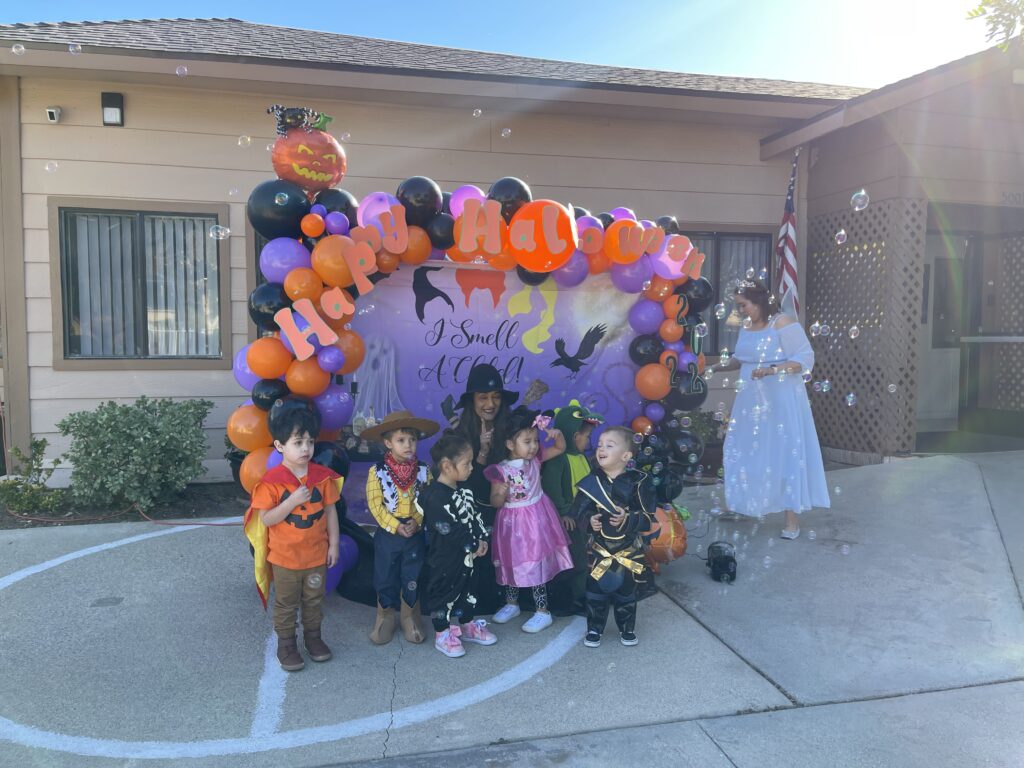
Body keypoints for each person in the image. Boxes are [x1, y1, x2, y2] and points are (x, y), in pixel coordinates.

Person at [709, 279, 830, 538]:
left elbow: (804, 358)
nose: (740, 310)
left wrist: (773, 370)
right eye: (738, 306)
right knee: (744, 449)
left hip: (780, 398)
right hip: (750, 400)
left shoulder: (782, 323)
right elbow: (741, 359)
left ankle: (791, 520)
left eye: (743, 305)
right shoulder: (746, 326)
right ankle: (744, 504)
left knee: (784, 452)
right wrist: (714, 367)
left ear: (758, 302)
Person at [244, 403, 341, 672]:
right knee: (286, 604)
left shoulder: (322, 479)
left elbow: (330, 511)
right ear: (279, 446)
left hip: (316, 557)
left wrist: (333, 544)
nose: (306, 448)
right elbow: (266, 519)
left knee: (313, 600)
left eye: (310, 442)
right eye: (298, 442)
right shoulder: (271, 482)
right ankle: (286, 644)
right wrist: (292, 501)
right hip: (285, 559)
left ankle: (313, 638)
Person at [487, 406, 573, 633]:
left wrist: (557, 435)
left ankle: (542, 611)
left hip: (535, 520)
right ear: (510, 444)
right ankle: (512, 603)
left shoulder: (536, 460)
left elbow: (560, 448)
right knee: (510, 561)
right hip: (510, 524)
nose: (534, 446)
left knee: (536, 562)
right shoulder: (500, 470)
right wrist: (500, 493)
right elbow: (495, 502)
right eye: (527, 441)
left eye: (535, 440)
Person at [570, 426, 655, 648]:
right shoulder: (591, 482)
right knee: (595, 592)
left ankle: (627, 629)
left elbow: (648, 519)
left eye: (609, 445)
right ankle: (594, 629)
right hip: (599, 552)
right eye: (599, 444)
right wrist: (589, 520)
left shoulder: (638, 482)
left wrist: (628, 518)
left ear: (626, 456)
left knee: (626, 593)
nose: (601, 449)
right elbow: (576, 514)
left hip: (628, 553)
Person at [360, 410, 440, 645]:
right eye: (401, 440)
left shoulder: (423, 471)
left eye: (412, 440)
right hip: (388, 534)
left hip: (415, 533)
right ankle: (384, 617)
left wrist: (417, 520)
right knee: (385, 574)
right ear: (388, 443)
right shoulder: (377, 472)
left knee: (412, 574)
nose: (408, 445)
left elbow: (428, 499)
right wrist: (395, 525)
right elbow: (375, 505)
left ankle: (410, 617)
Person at [420, 432, 497, 658]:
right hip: (446, 559)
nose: (471, 468)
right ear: (446, 466)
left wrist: (482, 537)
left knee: (469, 590)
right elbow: (448, 528)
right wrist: (472, 543)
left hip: (470, 557)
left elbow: (475, 516)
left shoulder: (465, 488)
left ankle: (467, 624)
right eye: (466, 463)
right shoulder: (434, 496)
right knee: (443, 594)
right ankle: (442, 632)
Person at [452, 363, 518, 614]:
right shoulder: (458, 436)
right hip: (474, 516)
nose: (490, 404)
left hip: (509, 514)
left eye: (496, 396)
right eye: (483, 397)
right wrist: (481, 453)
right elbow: (462, 487)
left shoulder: (511, 430)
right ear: (472, 401)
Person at [541, 400, 604, 614]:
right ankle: (576, 597)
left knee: (586, 554)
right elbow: (551, 489)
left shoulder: (582, 457)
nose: (589, 441)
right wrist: (564, 512)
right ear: (575, 436)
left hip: (584, 516)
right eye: (587, 436)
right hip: (569, 520)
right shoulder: (558, 460)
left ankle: (586, 590)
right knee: (577, 559)